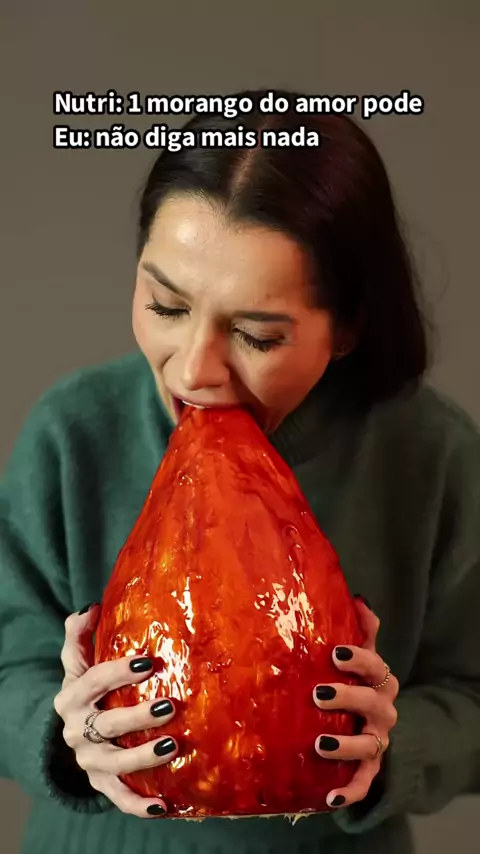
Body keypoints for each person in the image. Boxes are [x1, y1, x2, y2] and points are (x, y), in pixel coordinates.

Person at [1, 88, 479, 854]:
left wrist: (392, 744)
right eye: (166, 306)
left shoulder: (433, 454)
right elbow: (9, 661)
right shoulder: (72, 432)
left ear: (348, 326)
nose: (195, 370)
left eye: (257, 335)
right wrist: (63, 731)